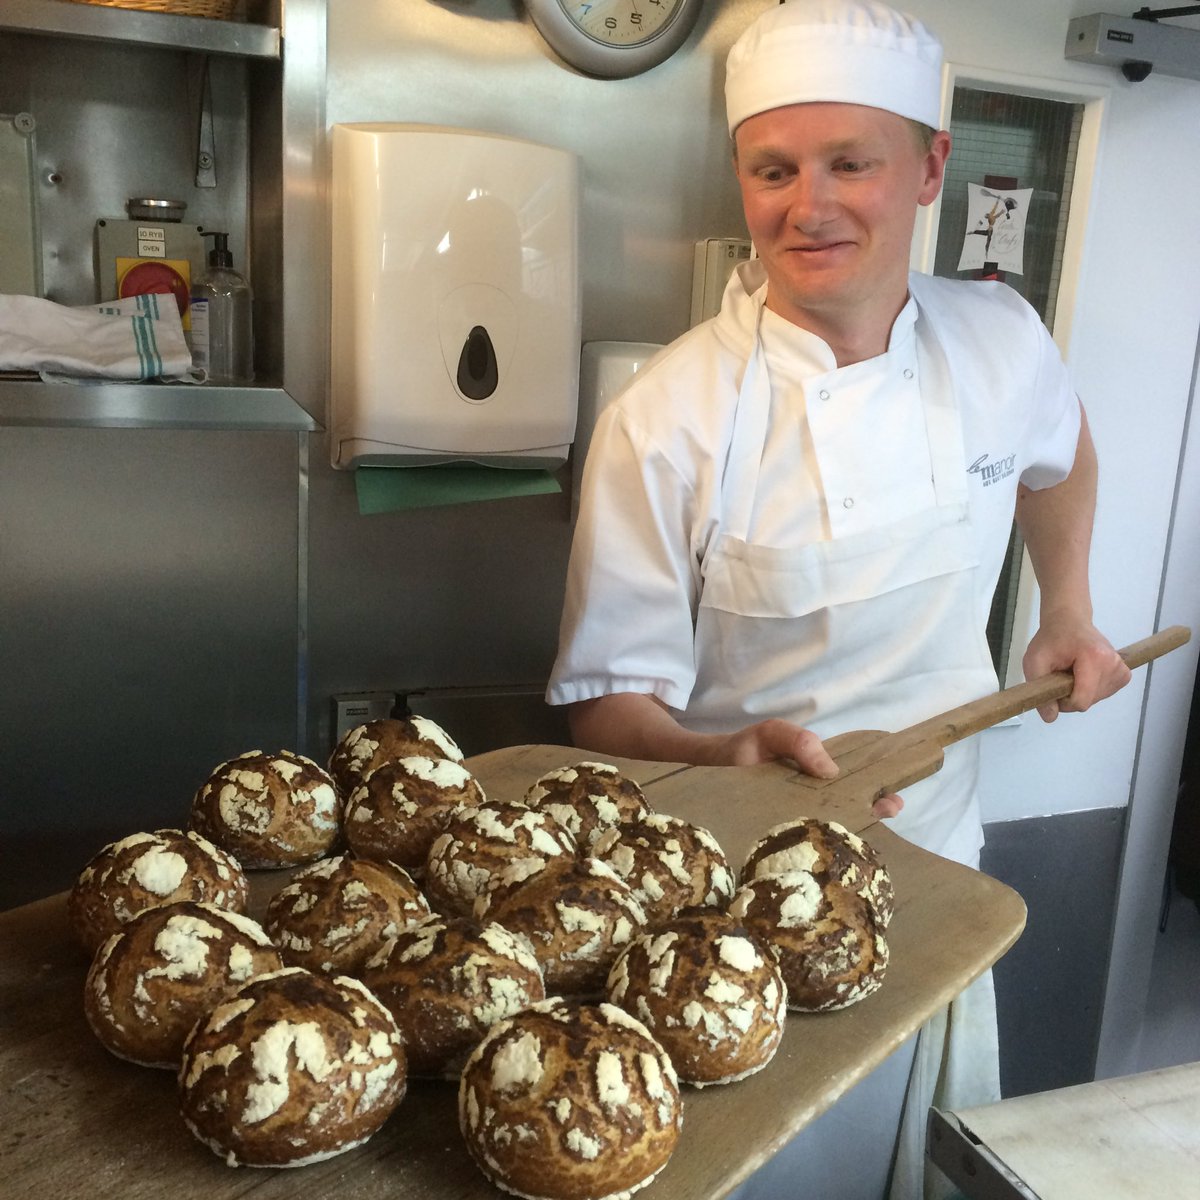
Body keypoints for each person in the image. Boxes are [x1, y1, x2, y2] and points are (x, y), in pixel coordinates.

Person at [547, 1, 1132, 1196]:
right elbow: (605, 716)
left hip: (942, 879)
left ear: (929, 169)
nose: (807, 206)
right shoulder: (666, 423)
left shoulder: (998, 340)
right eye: (774, 169)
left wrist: (1064, 608)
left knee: (910, 1164)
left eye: (849, 163)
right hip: (730, 914)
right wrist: (726, 751)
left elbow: (1062, 449)